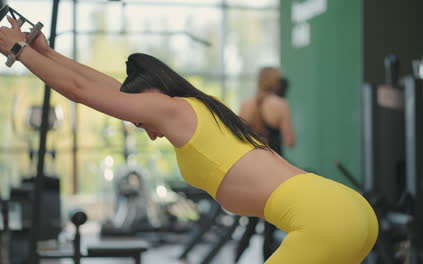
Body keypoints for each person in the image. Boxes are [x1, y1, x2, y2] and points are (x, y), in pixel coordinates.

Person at [0, 17, 378, 263]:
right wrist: (45, 53)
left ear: (153, 94)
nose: (143, 127)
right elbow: (102, 85)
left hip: (325, 219)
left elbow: (81, 90)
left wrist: (16, 50)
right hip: (348, 210)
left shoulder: (174, 110)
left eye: (140, 117)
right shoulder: (192, 107)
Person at [235, 67, 292, 262]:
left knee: (250, 224)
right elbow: (290, 140)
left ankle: (235, 260)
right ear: (276, 83)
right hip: (274, 172)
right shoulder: (280, 105)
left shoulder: (246, 104)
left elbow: (238, 140)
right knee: (270, 225)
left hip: (252, 171)